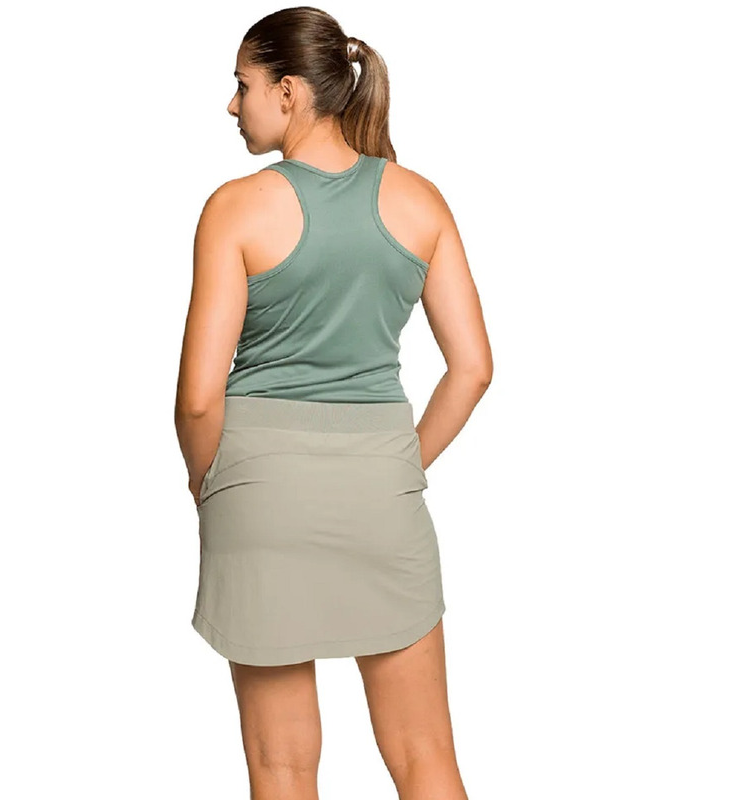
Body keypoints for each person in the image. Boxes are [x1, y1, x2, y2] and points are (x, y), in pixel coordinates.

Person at [174, 7, 492, 799]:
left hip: (259, 491)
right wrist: (400, 464)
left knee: (281, 766)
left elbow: (199, 398)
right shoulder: (420, 201)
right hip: (381, 489)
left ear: (288, 92)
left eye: (243, 85)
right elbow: (474, 369)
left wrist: (207, 479)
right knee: (424, 755)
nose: (232, 104)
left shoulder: (235, 208)